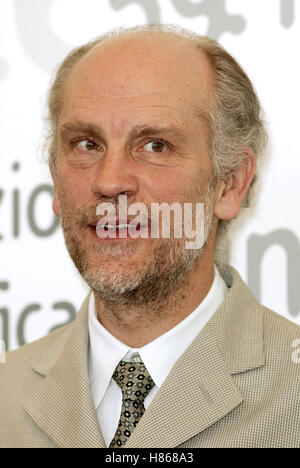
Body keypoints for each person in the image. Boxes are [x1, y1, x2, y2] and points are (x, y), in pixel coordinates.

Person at [1, 24, 299, 449]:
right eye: (87, 144)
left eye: (155, 146)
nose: (109, 181)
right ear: (53, 179)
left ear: (230, 184)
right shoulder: (5, 394)